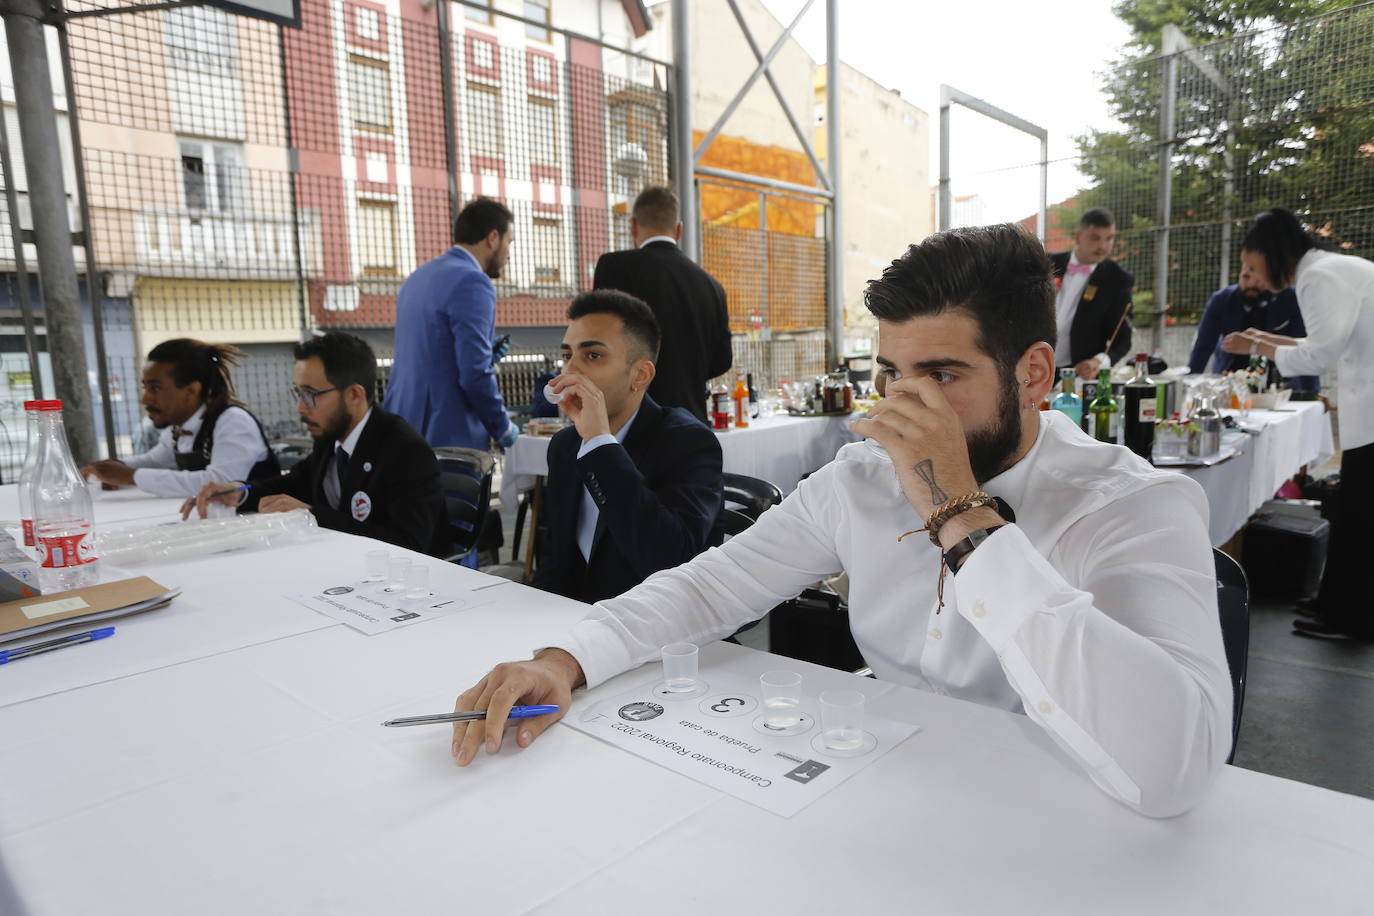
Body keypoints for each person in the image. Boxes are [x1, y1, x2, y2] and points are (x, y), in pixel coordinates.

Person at [448, 224, 1233, 819]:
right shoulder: (861, 477)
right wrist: (564, 659)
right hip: (877, 796)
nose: (905, 406)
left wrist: (963, 518)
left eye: (944, 375)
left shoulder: (1132, 505)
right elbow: (705, 590)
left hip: (1059, 822)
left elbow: (1176, 765)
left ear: (1033, 375)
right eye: (891, 375)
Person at [1220, 207, 1374, 641]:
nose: (1252, 275)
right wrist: (1260, 340)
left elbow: (1319, 354)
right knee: (1353, 509)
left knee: (1361, 516)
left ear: (1271, 253)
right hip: (1367, 398)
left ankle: (1352, 619)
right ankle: (1336, 603)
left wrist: (1261, 349)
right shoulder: (1327, 268)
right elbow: (1323, 340)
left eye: (1252, 265)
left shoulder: (1318, 277)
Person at [533, 290, 724, 604]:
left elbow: (668, 560)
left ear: (641, 375)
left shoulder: (688, 442)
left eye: (592, 355)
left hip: (660, 628)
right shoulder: (565, 446)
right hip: (576, 629)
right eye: (568, 355)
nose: (570, 371)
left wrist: (599, 445)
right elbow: (555, 562)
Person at [190, 333, 447, 557]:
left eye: (310, 394)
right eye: (298, 393)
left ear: (354, 395)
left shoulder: (405, 451)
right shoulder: (331, 439)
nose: (300, 407)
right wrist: (241, 491)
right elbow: (293, 483)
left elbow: (409, 545)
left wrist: (312, 516)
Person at [383, 197, 519, 451]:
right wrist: (503, 428)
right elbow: (474, 375)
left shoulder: (417, 277)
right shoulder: (473, 282)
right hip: (447, 438)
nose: (509, 254)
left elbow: (430, 353)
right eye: (509, 242)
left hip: (401, 428)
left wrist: (484, 354)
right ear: (492, 238)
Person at [594, 185, 732, 424]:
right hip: (692, 423)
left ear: (633, 226)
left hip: (632, 424)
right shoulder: (712, 286)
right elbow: (722, 360)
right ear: (679, 230)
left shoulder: (613, 268)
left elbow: (598, 344)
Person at [81, 339, 279, 497]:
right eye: (145, 388)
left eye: (155, 388)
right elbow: (155, 461)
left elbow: (221, 482)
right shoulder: (177, 429)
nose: (145, 399)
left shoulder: (233, 422)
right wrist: (110, 469)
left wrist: (132, 476)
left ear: (191, 391)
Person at [1187, 272, 1319, 393]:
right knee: (1228, 419)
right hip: (1230, 380)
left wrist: (1310, 393)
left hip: (1278, 383)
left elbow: (1302, 347)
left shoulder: (1291, 299)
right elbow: (1203, 346)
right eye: (1246, 277)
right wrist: (1188, 386)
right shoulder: (1221, 300)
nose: (1251, 285)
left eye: (1258, 280)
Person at [1049, 208, 1135, 379]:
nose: (1103, 246)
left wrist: (1098, 361)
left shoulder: (1117, 280)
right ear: (1078, 237)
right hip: (1032, 366)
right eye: (1095, 238)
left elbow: (1122, 339)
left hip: (1078, 374)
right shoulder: (1046, 264)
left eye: (1109, 239)